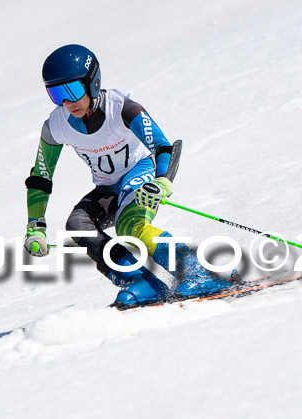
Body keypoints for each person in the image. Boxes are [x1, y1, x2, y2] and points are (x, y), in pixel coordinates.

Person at [22, 44, 232, 308]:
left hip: (140, 171)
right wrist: (35, 226)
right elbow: (41, 176)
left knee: (128, 224)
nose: (67, 102)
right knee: (78, 226)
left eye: (73, 90)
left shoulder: (122, 109)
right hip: (108, 186)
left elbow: (162, 146)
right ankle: (140, 281)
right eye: (56, 94)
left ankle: (198, 271)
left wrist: (162, 181)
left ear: (92, 83)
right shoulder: (55, 126)